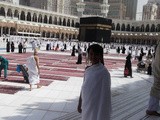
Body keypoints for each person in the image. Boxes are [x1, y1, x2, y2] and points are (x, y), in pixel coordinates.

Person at [77, 44, 111, 120]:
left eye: (96, 54)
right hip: (86, 104)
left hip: (96, 107)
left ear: (100, 56)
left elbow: (105, 97)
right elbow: (83, 87)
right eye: (91, 54)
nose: (93, 56)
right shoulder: (87, 70)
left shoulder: (104, 73)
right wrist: (79, 103)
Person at [146, 42, 160, 116]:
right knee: (157, 87)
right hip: (158, 67)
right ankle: (151, 109)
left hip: (157, 66)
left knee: (156, 87)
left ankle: (152, 108)